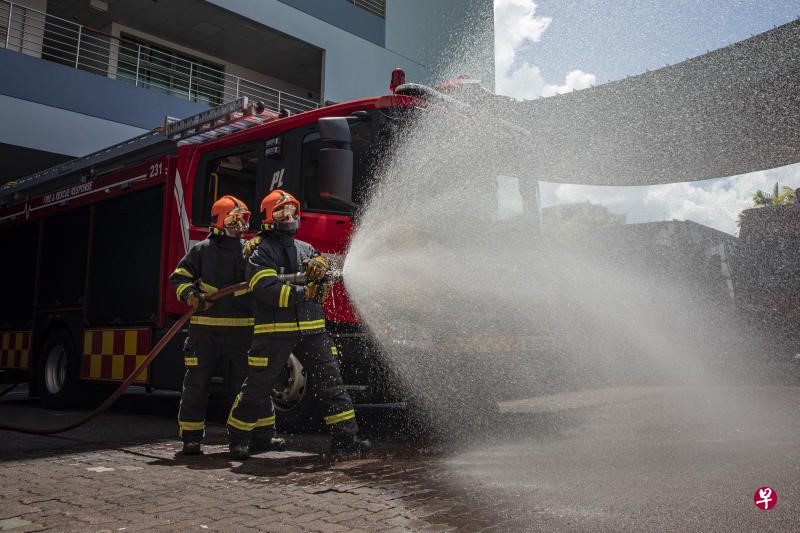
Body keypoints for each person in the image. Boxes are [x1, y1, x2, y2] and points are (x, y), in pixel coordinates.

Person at [226, 189, 371, 460]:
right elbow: (265, 288)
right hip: (274, 333)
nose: (289, 217)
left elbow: (322, 268)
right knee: (258, 386)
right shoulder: (260, 251)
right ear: (269, 217)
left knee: (332, 385)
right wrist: (304, 292)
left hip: (312, 330)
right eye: (281, 212)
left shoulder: (306, 248)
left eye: (292, 212)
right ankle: (238, 439)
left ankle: (346, 440)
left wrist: (321, 265)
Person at [169, 195, 285, 455]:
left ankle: (263, 436)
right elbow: (179, 277)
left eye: (244, 220)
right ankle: (191, 438)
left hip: (243, 330)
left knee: (254, 383)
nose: (241, 226)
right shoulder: (202, 250)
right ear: (219, 222)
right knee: (196, 383)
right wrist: (191, 295)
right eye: (234, 220)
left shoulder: (250, 250)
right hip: (205, 331)